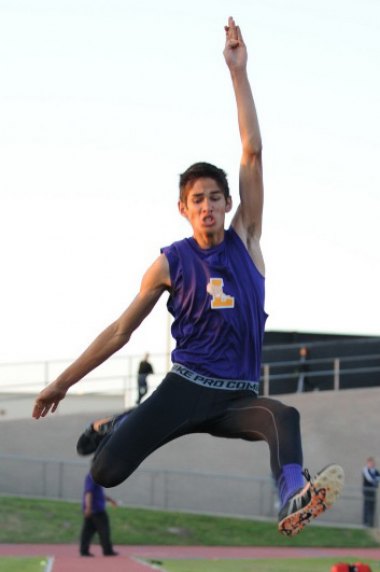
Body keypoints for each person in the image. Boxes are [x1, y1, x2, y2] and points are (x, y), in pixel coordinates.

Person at [32, 16, 344, 537]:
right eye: (197, 200)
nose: (208, 207)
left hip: (236, 397)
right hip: (184, 387)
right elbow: (119, 332)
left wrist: (238, 73)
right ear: (183, 207)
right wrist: (62, 383)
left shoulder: (246, 240)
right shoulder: (170, 263)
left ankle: (292, 493)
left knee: (283, 416)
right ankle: (116, 425)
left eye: (216, 198)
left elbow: (252, 152)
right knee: (105, 471)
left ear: (228, 205)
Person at [80, 470, 119, 557]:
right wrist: (88, 507)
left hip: (93, 509)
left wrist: (110, 500)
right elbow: (88, 493)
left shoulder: (96, 477)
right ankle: (107, 550)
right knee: (104, 530)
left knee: (87, 531)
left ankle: (84, 551)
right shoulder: (93, 477)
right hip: (96, 510)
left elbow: (99, 494)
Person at [362, 457, 380, 527]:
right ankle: (366, 522)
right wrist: (375, 479)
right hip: (367, 491)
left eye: (372, 463)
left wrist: (375, 479)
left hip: (373, 491)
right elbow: (369, 479)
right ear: (368, 463)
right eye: (370, 463)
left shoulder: (375, 471)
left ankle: (371, 523)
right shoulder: (365, 470)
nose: (371, 464)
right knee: (367, 506)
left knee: (372, 507)